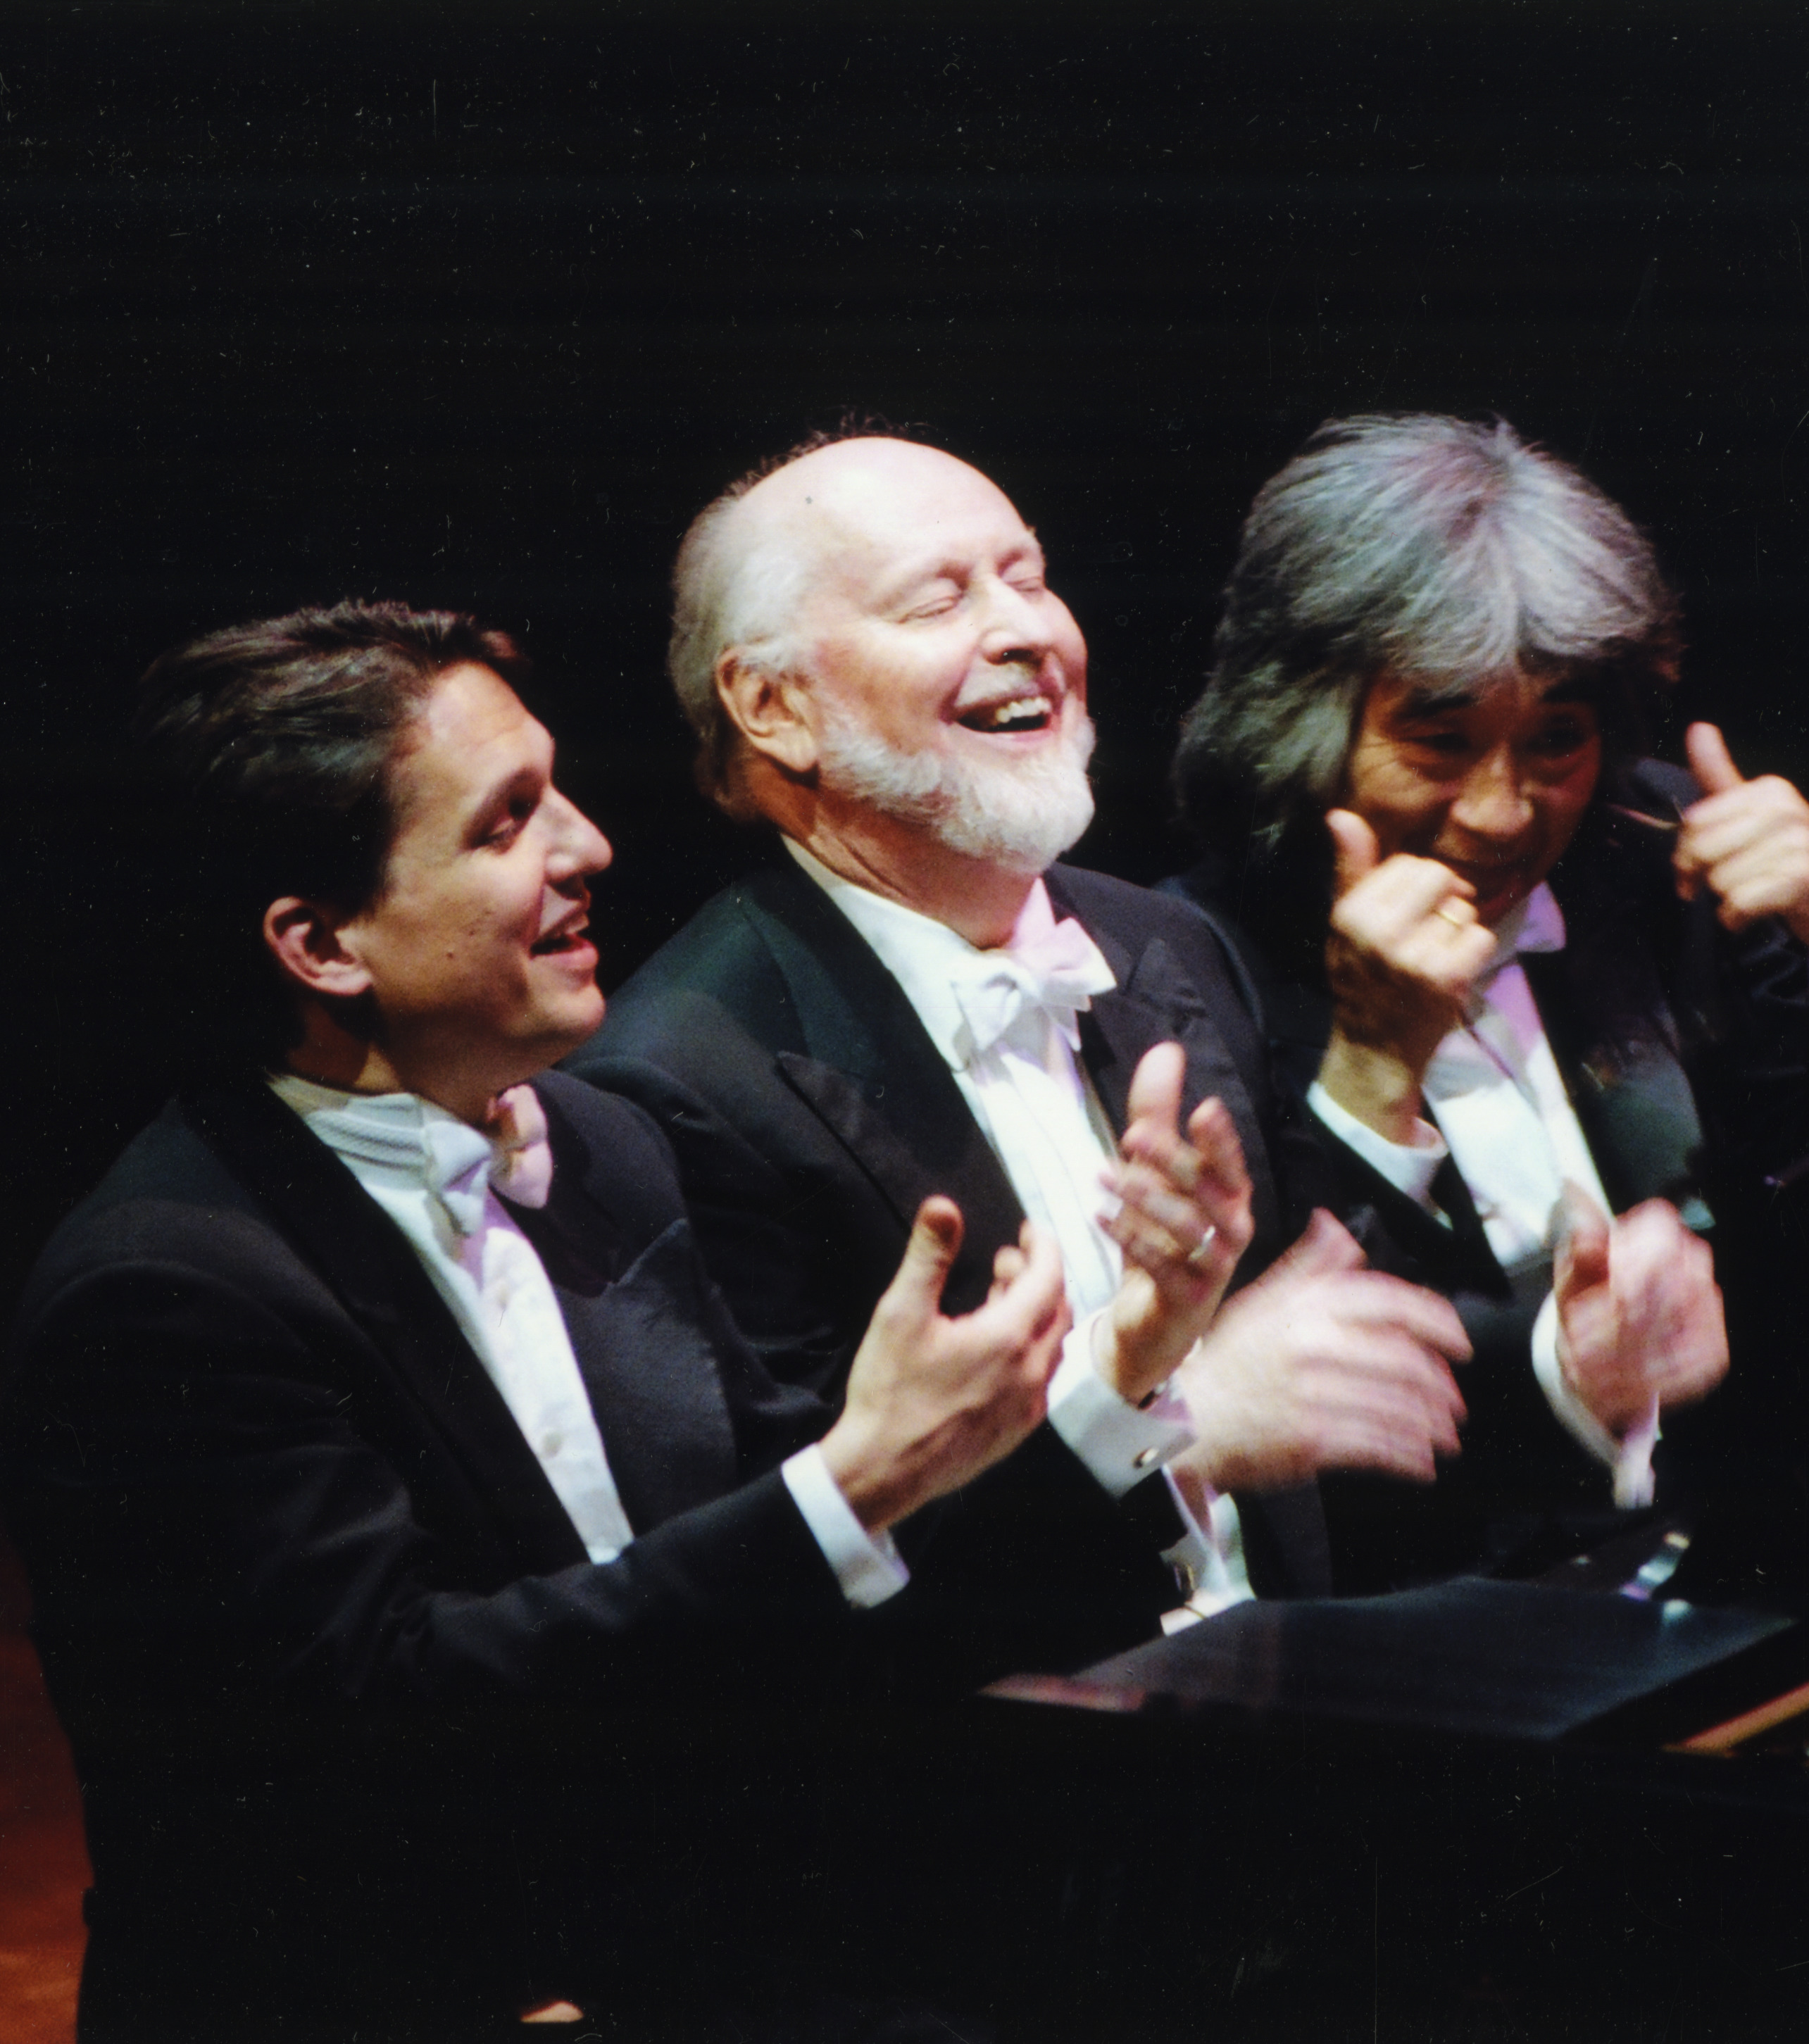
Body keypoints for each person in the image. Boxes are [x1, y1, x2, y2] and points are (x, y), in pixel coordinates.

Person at [1, 601, 1089, 2041]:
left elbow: (758, 1597)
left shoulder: (605, 1148)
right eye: (508, 822)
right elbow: (382, 1732)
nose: (590, 846)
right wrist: (853, 1482)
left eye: (557, 791)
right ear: (320, 943)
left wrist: (1105, 1394)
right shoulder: (166, 1297)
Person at [576, 431, 1472, 1645]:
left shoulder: (1159, 940)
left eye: (1030, 577)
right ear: (774, 707)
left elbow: (1322, 1375)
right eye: (938, 600)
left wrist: (1568, 1365)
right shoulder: (677, 1079)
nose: (1025, 630)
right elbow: (808, 1601)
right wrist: (1164, 1419)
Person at [1165, 413, 1809, 1586]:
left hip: (1765, 1550)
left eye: (1556, 740)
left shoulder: (1657, 846)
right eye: (1440, 744)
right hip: (1437, 1618)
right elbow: (1299, 1433)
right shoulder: (1183, 963)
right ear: (1304, 724)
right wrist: (1376, 1066)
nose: (1503, 812)